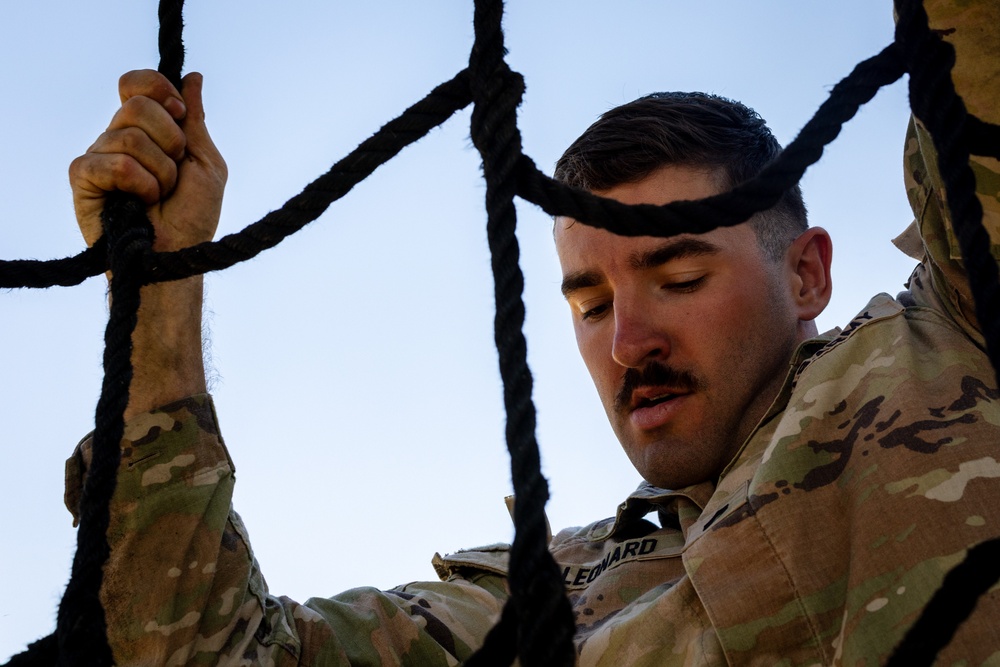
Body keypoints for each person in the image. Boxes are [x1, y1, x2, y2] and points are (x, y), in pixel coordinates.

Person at [65, 1, 1000, 663]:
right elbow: (197, 656)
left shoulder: (958, 332)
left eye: (677, 277)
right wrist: (155, 290)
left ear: (807, 273)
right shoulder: (536, 599)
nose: (627, 340)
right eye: (588, 304)